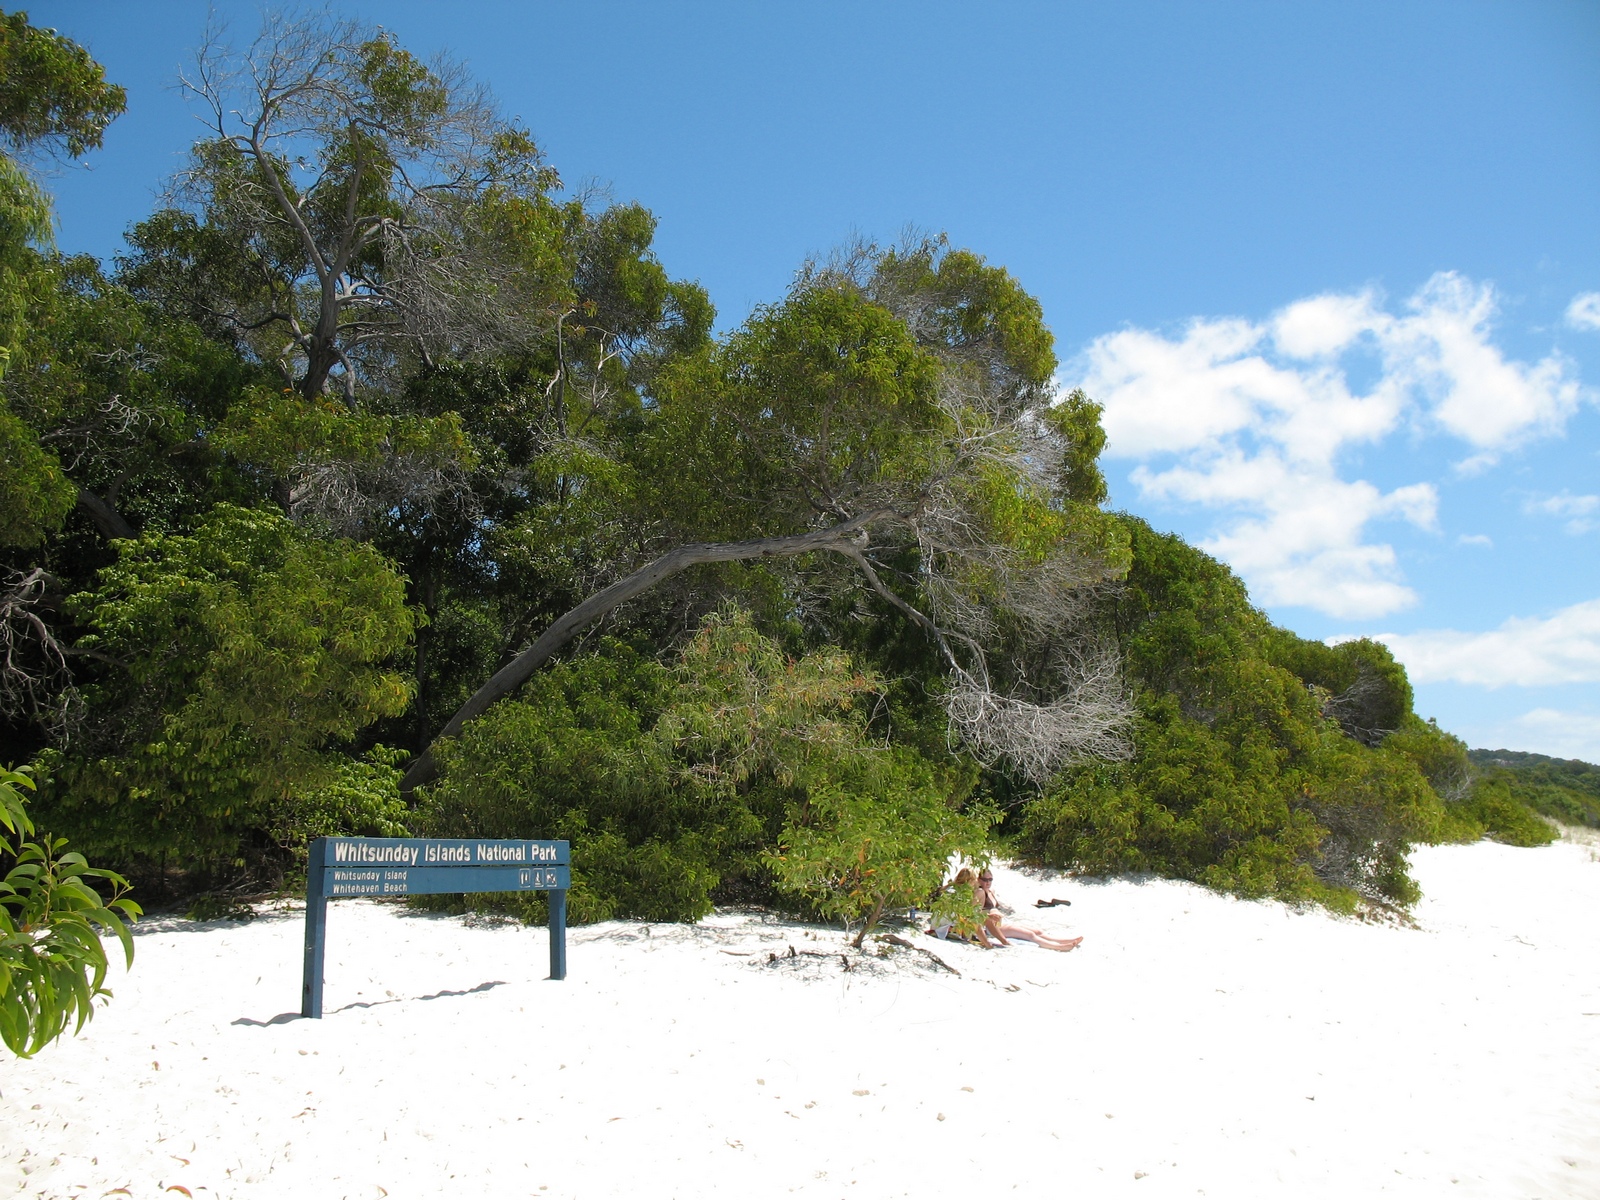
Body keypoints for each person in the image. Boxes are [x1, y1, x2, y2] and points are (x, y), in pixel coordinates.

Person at [975, 869, 1083, 952]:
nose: (988, 882)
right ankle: (1058, 947)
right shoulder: (980, 892)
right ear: (979, 880)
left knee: (1037, 931)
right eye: (985, 880)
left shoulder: (991, 891)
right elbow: (976, 913)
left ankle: (1063, 941)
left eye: (990, 879)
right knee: (1029, 934)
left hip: (1000, 922)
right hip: (990, 927)